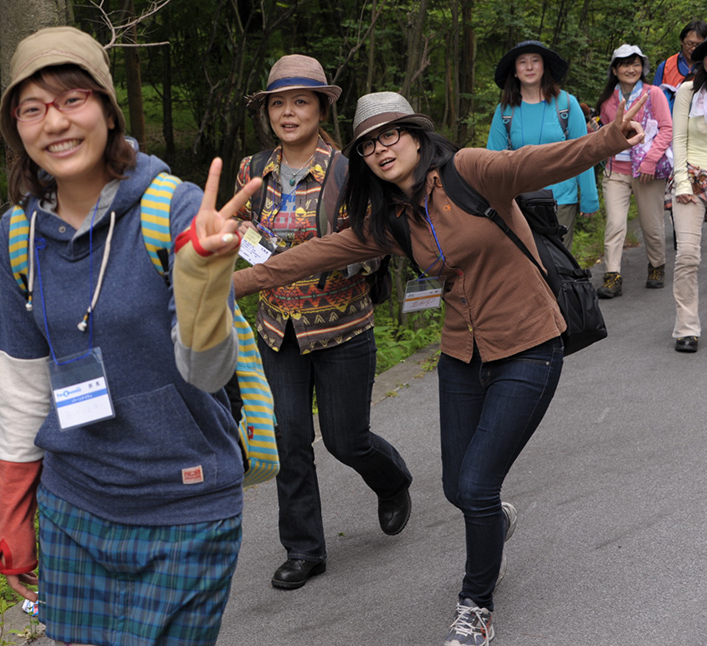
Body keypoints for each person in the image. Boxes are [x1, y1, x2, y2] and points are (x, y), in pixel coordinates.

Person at [234, 91, 644, 646]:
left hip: (529, 342)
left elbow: (539, 161)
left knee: (476, 485)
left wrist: (609, 139)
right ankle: (492, 523)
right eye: (367, 145)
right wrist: (223, 285)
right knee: (458, 488)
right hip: (461, 353)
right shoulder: (391, 219)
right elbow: (315, 254)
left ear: (416, 135)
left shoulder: (470, 172)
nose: (381, 150)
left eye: (390, 135)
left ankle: (476, 606)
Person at [0, 26, 259, 645]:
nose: (55, 122)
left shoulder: (176, 210)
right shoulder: (18, 235)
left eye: (72, 99)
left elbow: (208, 372)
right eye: (32, 109)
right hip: (74, 503)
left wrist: (202, 276)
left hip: (184, 503)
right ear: (16, 129)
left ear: (109, 111)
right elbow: (22, 383)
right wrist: (15, 516)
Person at [235, 55, 412, 591]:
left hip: (342, 327)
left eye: (300, 102)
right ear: (267, 111)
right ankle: (304, 549)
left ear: (320, 108)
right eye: (278, 103)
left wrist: (327, 255)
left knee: (346, 439)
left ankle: (392, 480)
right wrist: (239, 238)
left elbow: (376, 242)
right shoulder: (251, 170)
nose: (288, 113)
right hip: (277, 331)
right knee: (287, 439)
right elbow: (237, 229)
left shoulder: (348, 170)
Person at [486, 40, 597, 248]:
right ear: (515, 72)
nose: (529, 67)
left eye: (535, 61)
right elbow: (492, 161)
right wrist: (493, 203)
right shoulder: (505, 112)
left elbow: (584, 152)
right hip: (519, 204)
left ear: (544, 67)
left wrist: (589, 196)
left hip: (561, 201)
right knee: (526, 261)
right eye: (522, 62)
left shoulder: (566, 105)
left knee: (559, 261)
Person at [592, 44, 673, 298]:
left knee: (651, 224)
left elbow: (666, 129)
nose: (631, 69)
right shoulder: (608, 100)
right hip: (616, 169)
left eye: (635, 64)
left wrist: (650, 161)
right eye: (625, 64)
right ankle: (612, 275)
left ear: (643, 68)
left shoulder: (653, 94)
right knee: (615, 224)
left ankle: (657, 265)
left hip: (647, 170)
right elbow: (604, 132)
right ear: (615, 70)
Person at [670, 39, 707, 354]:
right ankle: (687, 328)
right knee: (687, 255)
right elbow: (678, 138)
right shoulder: (688, 91)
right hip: (692, 176)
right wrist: (682, 182)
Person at [654, 20, 707, 108]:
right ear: (681, 41)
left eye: (698, 45)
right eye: (690, 43)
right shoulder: (666, 66)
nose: (693, 48)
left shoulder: (705, 65)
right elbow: (654, 98)